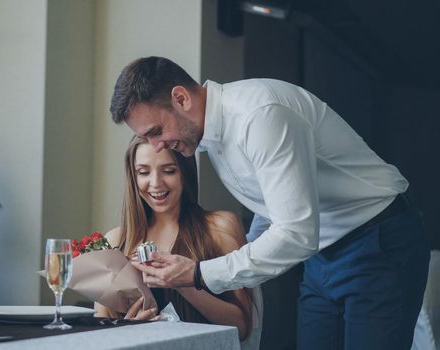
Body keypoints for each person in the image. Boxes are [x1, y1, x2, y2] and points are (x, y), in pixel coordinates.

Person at [110, 56, 430, 350]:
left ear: (181, 98)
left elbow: (295, 232)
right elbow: (273, 209)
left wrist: (199, 274)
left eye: (156, 131)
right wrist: (231, 258)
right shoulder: (211, 137)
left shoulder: (260, 116)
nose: (156, 145)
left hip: (377, 240)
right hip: (320, 256)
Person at [94, 135, 260, 346]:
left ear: (185, 172)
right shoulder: (116, 240)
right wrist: (126, 329)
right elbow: (100, 331)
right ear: (133, 177)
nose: (155, 183)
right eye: (143, 172)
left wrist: (183, 282)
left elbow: (242, 326)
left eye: (169, 170)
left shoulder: (220, 227)